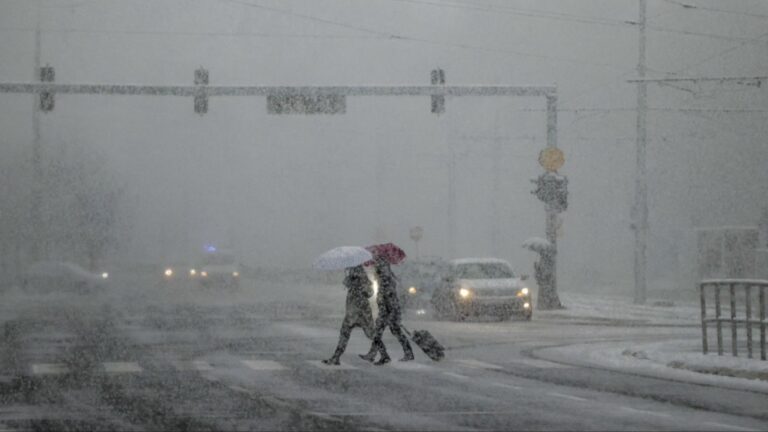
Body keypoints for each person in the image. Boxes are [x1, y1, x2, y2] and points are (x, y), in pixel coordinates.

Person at [359, 258, 414, 365]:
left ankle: (387, 355)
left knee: (391, 333)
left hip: (389, 312)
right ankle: (379, 354)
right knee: (380, 333)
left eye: (376, 267)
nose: (374, 269)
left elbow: (390, 298)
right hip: (387, 311)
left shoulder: (385, 280)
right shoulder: (384, 279)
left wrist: (391, 314)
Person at [322, 265, 375, 365]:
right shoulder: (352, 277)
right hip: (352, 312)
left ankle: (382, 353)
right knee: (345, 334)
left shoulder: (362, 278)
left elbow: (369, 293)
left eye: (351, 268)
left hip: (361, 313)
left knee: (370, 334)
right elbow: (347, 284)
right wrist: (350, 280)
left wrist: (357, 286)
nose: (349, 270)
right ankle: (336, 357)